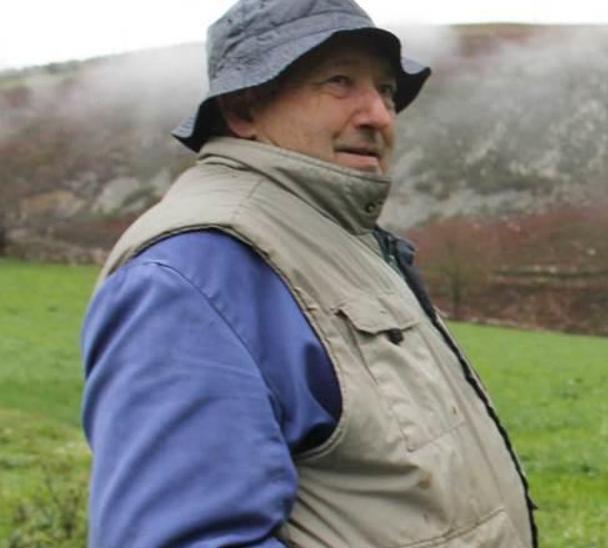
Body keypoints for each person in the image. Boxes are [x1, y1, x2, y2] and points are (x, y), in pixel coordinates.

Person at [79, 1, 536, 546]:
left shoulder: (331, 237)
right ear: (244, 108)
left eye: (386, 90)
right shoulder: (194, 272)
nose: (379, 116)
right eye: (339, 83)